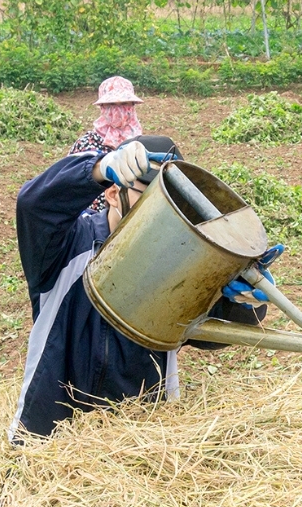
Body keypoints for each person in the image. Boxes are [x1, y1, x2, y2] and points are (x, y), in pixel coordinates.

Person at [13, 135, 262, 438]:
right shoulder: (64, 249)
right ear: (113, 193)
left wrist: (247, 302)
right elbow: (34, 205)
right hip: (50, 437)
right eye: (151, 198)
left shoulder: (179, 262)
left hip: (139, 447)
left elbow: (207, 333)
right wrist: (95, 170)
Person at [70, 75, 145, 214]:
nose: (118, 110)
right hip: (91, 221)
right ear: (102, 107)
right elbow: (69, 184)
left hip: (130, 217)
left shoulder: (140, 144)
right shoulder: (86, 144)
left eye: (124, 104)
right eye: (111, 105)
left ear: (132, 106)